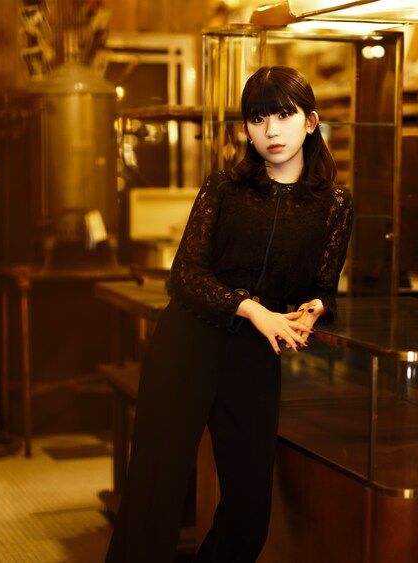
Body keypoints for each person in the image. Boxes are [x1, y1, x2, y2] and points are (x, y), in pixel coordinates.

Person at [105, 65, 353, 563]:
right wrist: (254, 310)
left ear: (310, 122)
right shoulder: (224, 188)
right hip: (187, 344)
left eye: (283, 115)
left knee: (248, 515)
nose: (271, 130)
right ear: (247, 130)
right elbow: (184, 276)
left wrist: (315, 308)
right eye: (258, 119)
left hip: (251, 361)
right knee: (154, 497)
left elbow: (324, 285)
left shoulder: (334, 204)